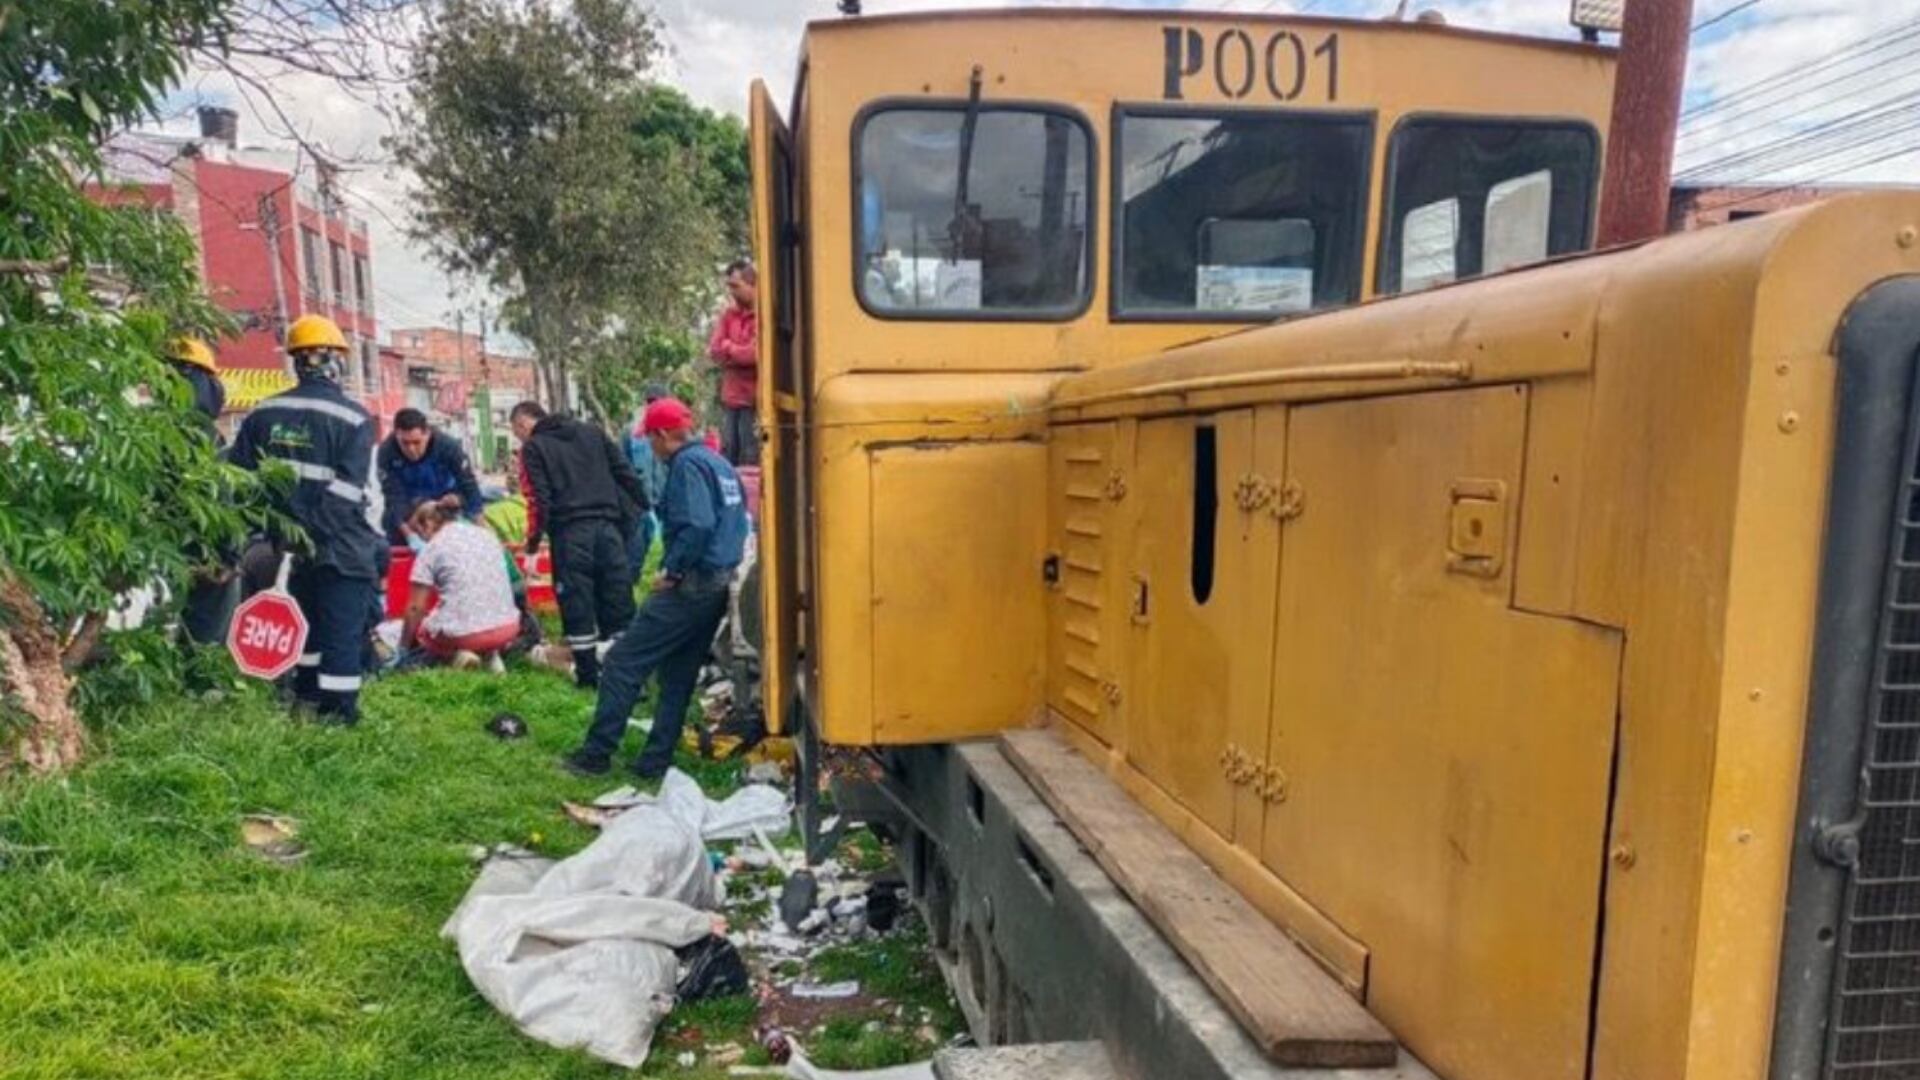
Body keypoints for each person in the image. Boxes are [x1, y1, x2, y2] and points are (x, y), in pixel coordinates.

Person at [562, 396, 748, 780]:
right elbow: (737, 521)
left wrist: (673, 572)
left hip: (691, 585)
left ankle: (596, 755)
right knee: (678, 675)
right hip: (718, 584)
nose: (650, 446)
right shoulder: (719, 463)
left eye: (650, 439)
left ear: (663, 434)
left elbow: (697, 524)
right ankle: (654, 761)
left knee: (622, 662)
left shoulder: (686, 466)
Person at [228, 314, 384, 725]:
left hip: (287, 550)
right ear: (335, 360)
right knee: (341, 635)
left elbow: (241, 483)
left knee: (308, 628)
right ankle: (338, 716)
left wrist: (285, 534)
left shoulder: (262, 414)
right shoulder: (354, 419)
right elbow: (348, 492)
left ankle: (305, 700)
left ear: (296, 360)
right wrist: (312, 534)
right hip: (342, 548)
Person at [511, 400, 647, 689]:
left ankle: (588, 676)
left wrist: (533, 545)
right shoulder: (592, 432)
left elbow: (539, 500)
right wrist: (644, 509)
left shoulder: (534, 448)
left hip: (570, 534)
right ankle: (627, 675)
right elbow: (626, 474)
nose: (520, 439)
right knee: (618, 602)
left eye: (517, 432)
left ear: (523, 424)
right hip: (609, 530)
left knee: (577, 605)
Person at [168, 337, 236, 646]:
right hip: (205, 558)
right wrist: (230, 555)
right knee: (204, 638)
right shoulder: (204, 435)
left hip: (161, 554)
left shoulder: (148, 429)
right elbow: (221, 499)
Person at [397, 501, 519, 670]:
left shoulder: (433, 547)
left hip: (463, 636)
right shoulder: (486, 535)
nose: (421, 539)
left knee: (425, 631)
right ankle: (490, 655)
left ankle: (456, 656)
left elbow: (415, 609)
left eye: (419, 533)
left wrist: (403, 648)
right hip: (508, 627)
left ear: (429, 524)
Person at [377, 408, 483, 546]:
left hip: (444, 507)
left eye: (416, 442)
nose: (411, 449)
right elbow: (393, 498)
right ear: (397, 435)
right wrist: (409, 535)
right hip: (410, 508)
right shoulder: (386, 452)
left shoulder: (448, 447)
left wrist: (481, 533)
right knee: (392, 526)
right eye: (405, 443)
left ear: (427, 434)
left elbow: (469, 487)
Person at [707, 261, 760, 466]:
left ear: (752, 284)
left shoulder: (762, 316)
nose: (732, 292)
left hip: (753, 401)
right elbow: (714, 350)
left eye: (736, 286)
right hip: (731, 400)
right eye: (729, 286)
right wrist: (736, 351)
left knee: (750, 458)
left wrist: (728, 346)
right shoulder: (728, 315)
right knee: (729, 458)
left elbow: (753, 355)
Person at [622, 383, 671, 576]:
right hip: (639, 503)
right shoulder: (630, 432)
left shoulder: (672, 431)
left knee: (665, 550)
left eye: (658, 402)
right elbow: (622, 466)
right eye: (650, 402)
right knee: (636, 552)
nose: (653, 405)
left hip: (666, 500)